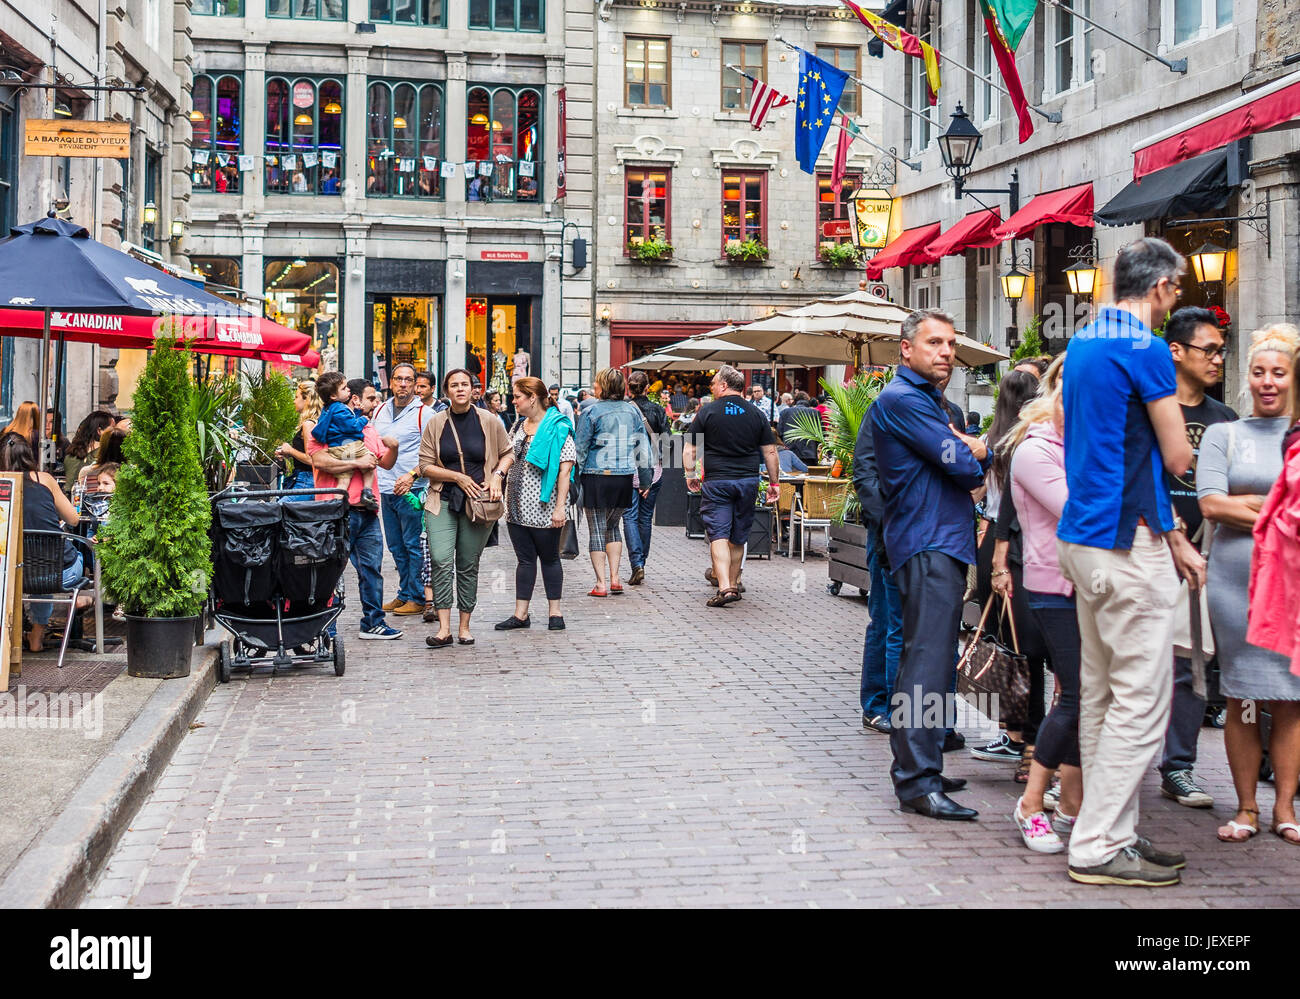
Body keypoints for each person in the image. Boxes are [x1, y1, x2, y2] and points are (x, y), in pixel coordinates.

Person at [1056, 237, 1203, 887]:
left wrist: (1170, 529)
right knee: (1142, 702)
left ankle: (1112, 832)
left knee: (1102, 693)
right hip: (1123, 542)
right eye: (1178, 290)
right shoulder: (1145, 348)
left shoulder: (1083, 341)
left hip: (1083, 535)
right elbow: (1176, 456)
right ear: (1163, 286)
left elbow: (1109, 442)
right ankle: (1095, 844)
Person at [871, 309, 989, 821]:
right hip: (927, 542)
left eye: (951, 343)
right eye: (935, 342)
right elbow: (963, 466)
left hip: (939, 540)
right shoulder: (903, 400)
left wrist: (966, 450)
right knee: (924, 662)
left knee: (937, 663)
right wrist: (977, 447)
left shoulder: (924, 401)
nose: (946, 351)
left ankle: (928, 766)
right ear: (906, 348)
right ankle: (916, 779)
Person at [1198, 324, 1300, 844]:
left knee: (1290, 697)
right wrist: (1282, 508)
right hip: (1234, 581)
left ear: (1293, 378)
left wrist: (1249, 507)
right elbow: (1211, 504)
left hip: (1292, 586)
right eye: (1258, 373)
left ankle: (1284, 808)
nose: (1267, 382)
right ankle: (1245, 809)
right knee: (1240, 695)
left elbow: (1232, 505)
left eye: (1278, 374)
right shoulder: (1224, 434)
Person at [994, 357, 1084, 853]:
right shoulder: (1034, 449)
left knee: (1085, 700)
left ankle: (1071, 805)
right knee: (1077, 695)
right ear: (1056, 389)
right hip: (1054, 586)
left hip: (1096, 586)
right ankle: (1032, 802)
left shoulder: (1088, 442)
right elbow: (1080, 514)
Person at [1155, 306, 1237, 808]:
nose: (1218, 359)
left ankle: (1178, 765)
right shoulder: (1151, 411)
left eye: (1222, 351)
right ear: (1177, 352)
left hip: (1203, 553)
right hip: (1148, 549)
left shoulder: (1225, 420)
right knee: (1135, 662)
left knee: (1191, 664)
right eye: (1209, 350)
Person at [971, 370, 1049, 779]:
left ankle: (1015, 735)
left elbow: (975, 493)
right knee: (1028, 651)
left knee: (1015, 650)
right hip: (1016, 545)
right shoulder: (1029, 442)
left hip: (994, 545)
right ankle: (1030, 743)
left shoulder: (991, 441)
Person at [418, 368, 513, 648]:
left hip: (478, 503)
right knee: (440, 559)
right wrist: (457, 477)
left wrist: (497, 476)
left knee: (468, 564)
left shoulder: (489, 420)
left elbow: (508, 452)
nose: (460, 389)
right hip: (442, 499)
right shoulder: (436, 423)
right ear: (446, 391)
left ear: (473, 389)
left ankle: (464, 627)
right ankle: (443, 629)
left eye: (465, 384)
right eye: (454, 385)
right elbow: (425, 466)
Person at [683, 365, 779, 607]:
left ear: (724, 385)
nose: (712, 386)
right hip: (748, 481)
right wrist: (775, 483)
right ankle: (734, 584)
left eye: (715, 383)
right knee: (738, 536)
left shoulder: (707, 412)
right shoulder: (757, 414)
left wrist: (690, 474)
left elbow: (690, 448)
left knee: (718, 533)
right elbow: (770, 451)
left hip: (717, 481)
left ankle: (725, 587)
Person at [307, 409, 403, 641]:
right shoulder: (324, 426)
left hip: (367, 510)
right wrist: (358, 460)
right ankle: (326, 627)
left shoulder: (368, 428)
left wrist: (395, 448)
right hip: (335, 511)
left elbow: (385, 463)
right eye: (369, 399)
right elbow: (320, 461)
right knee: (331, 571)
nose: (373, 405)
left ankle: (373, 622)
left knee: (371, 569)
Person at [496, 377, 576, 632]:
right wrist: (498, 476)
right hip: (516, 506)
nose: (514, 401)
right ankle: (521, 614)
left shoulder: (557, 426)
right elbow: (508, 455)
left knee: (550, 558)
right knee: (524, 560)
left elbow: (565, 469)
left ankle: (555, 613)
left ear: (532, 398)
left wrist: (560, 507)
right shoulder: (519, 425)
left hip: (544, 507)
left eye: (517, 396)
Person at [0, 435, 87, 653]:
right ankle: (37, 634)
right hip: (59, 573)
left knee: (27, 563)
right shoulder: (45, 479)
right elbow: (74, 520)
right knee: (62, 559)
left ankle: (12, 632)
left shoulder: (3, 485)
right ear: (29, 454)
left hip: (9, 573)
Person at [574, 367, 653, 597]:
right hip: (624, 478)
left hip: (596, 476)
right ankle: (616, 578)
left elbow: (580, 448)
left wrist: (573, 481)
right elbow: (643, 450)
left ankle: (600, 584)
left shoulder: (591, 412)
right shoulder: (632, 412)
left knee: (597, 530)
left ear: (604, 386)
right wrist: (645, 481)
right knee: (613, 527)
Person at [853, 381, 901, 737]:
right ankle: (877, 704)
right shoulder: (884, 409)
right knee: (885, 619)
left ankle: (927, 718)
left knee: (920, 631)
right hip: (888, 534)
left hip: (928, 538)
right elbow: (865, 473)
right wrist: (884, 523)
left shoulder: (947, 414)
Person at [371, 363, 430, 618]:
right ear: (391, 382)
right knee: (395, 546)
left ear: (415, 384)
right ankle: (405, 592)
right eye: (398, 379)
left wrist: (412, 475)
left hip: (412, 490)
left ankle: (416, 596)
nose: (403, 384)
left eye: (408, 380)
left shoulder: (424, 413)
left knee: (413, 544)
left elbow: (433, 454)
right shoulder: (380, 410)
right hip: (385, 486)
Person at [623, 370, 668, 586]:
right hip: (653, 469)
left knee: (629, 516)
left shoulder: (624, 410)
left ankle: (636, 564)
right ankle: (643, 562)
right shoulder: (658, 410)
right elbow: (668, 443)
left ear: (628, 388)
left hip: (628, 468)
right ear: (648, 388)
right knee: (645, 517)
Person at [311, 371, 379, 512]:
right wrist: (363, 418)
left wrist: (357, 412)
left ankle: (337, 502)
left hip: (336, 448)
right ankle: (367, 492)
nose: (347, 389)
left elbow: (344, 421)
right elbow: (352, 426)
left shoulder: (329, 409)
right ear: (333, 396)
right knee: (370, 463)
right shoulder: (340, 408)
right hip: (350, 445)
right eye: (344, 388)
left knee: (343, 480)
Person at [277, 380, 323, 498]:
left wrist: (290, 450)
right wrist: (289, 454)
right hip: (307, 479)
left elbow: (311, 459)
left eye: (296, 397)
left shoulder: (308, 424)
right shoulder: (315, 422)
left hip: (306, 481)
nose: (294, 401)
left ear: (307, 399)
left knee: (278, 512)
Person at [63, 411, 114, 494]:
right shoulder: (104, 454)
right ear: (99, 431)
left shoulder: (72, 452)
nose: (115, 432)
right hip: (89, 500)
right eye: (112, 429)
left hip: (68, 498)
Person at [777, 392, 821, 471]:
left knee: (789, 481)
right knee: (808, 480)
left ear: (795, 401)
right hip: (809, 453)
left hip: (790, 451)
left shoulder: (785, 412)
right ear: (808, 400)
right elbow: (821, 435)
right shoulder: (815, 413)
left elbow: (779, 433)